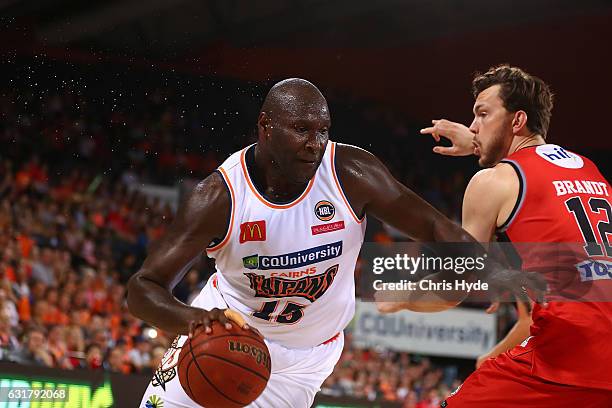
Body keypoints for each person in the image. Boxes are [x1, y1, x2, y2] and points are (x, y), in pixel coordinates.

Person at [127, 78, 540, 408]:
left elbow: (434, 228)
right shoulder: (219, 197)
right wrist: (192, 321)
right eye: (301, 130)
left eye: (323, 131)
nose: (315, 143)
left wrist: (495, 269)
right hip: (224, 339)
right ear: (266, 128)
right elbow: (143, 288)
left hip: (307, 357)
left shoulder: (350, 172)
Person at [404, 65, 611, 406]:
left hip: (569, 350)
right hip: (595, 351)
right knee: (490, 364)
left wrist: (398, 296)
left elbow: (455, 287)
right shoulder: (591, 170)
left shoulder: (492, 182)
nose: (473, 126)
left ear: (517, 121)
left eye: (482, 114)